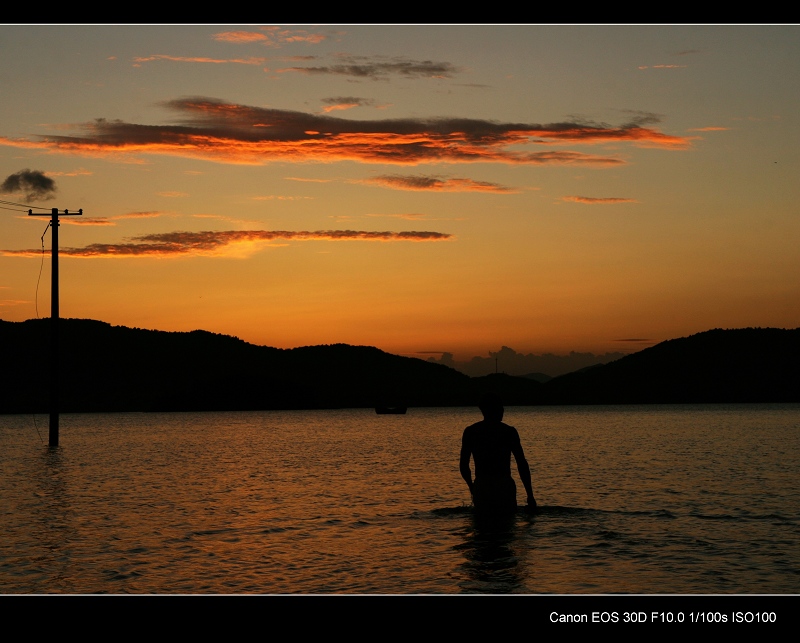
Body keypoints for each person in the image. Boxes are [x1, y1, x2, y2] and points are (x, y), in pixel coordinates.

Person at [460, 394, 536, 513]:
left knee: (482, 527)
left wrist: (472, 488)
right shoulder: (509, 432)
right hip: (503, 485)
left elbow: (464, 466)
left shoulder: (471, 432)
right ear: (490, 410)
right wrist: (530, 495)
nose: (502, 411)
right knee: (507, 526)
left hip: (482, 485)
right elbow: (522, 464)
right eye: (499, 408)